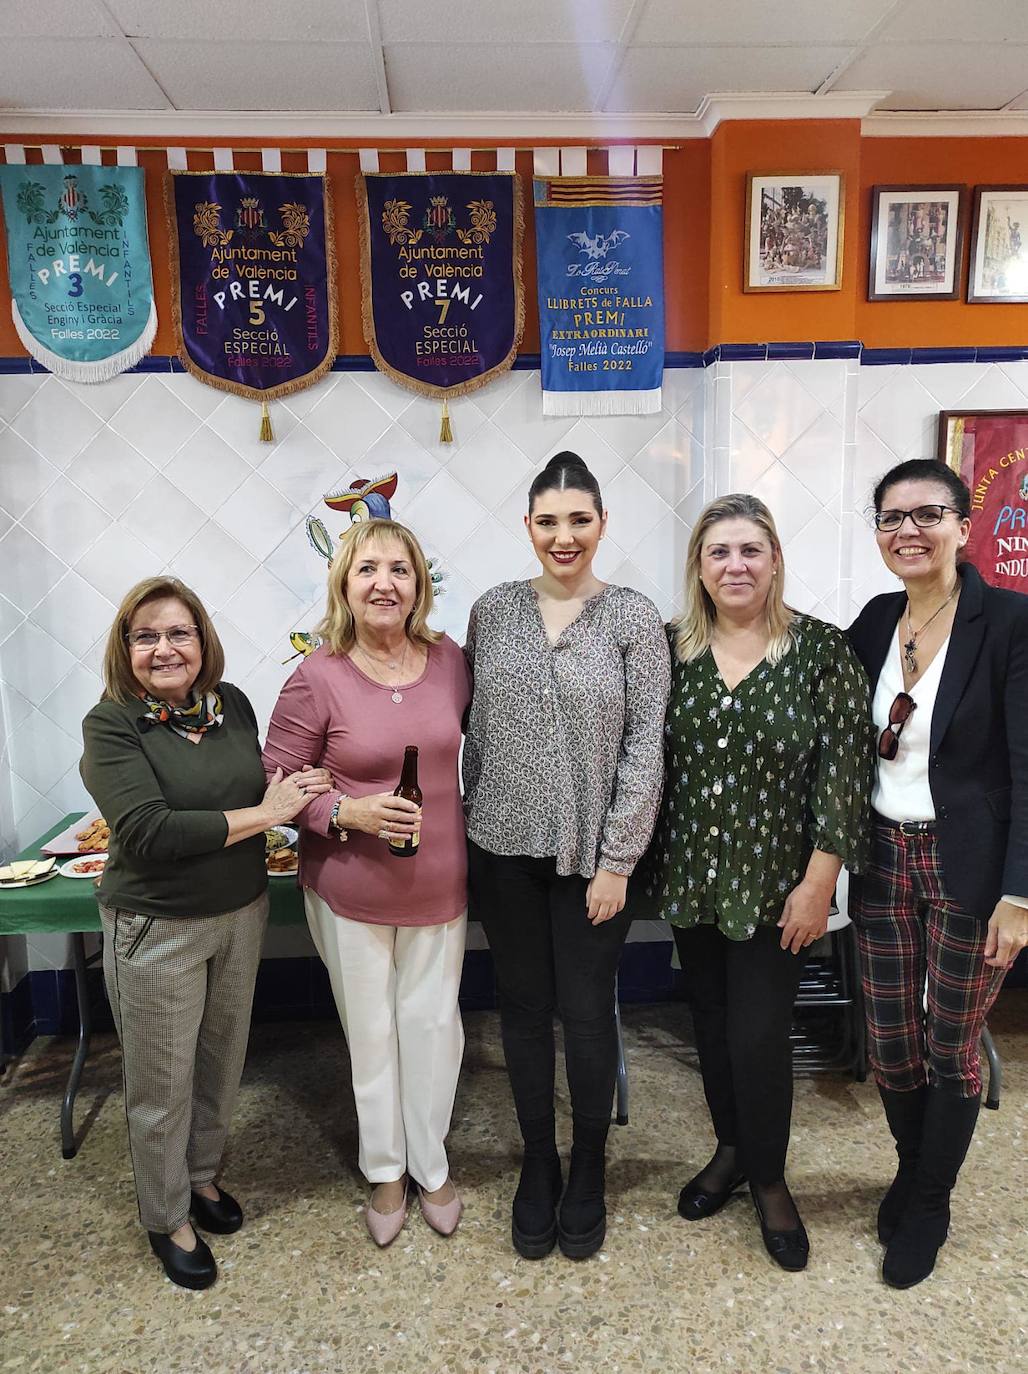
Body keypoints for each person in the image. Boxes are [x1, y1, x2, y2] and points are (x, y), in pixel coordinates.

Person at [643, 494, 871, 1272]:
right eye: (718, 553)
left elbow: (843, 776)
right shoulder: (671, 651)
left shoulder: (820, 652)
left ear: (774, 560)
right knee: (709, 1022)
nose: (734, 566)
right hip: (692, 880)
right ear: (699, 569)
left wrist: (819, 883)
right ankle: (731, 1151)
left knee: (759, 1033)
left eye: (749, 551)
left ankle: (771, 1179)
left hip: (780, 888)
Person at [80, 576, 329, 1290]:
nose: (165, 649)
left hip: (241, 913)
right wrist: (268, 812)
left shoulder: (233, 708)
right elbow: (149, 832)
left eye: (179, 633)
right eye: (146, 636)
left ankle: (202, 1179)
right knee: (161, 1086)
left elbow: (264, 785)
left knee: (221, 1065)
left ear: (202, 642)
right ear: (125, 648)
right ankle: (167, 1217)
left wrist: (301, 789)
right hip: (156, 928)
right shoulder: (113, 725)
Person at [463, 452, 671, 1260]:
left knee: (585, 1012)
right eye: (547, 521)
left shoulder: (631, 619)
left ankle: (589, 1162)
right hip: (503, 849)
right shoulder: (493, 611)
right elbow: (474, 727)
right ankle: (538, 1164)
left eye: (578, 519)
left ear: (601, 525)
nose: (563, 535)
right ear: (527, 528)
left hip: (594, 858)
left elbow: (645, 746)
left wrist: (619, 858)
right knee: (520, 1009)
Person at [263, 518, 472, 1246]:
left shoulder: (452, 662)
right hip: (350, 889)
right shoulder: (316, 676)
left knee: (434, 1029)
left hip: (439, 883)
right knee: (374, 1035)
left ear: (420, 585)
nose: (384, 583)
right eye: (368, 569)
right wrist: (343, 810)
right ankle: (387, 1171)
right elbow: (276, 782)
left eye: (400, 569)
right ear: (344, 585)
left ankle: (433, 1164)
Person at [847, 458, 1028, 1288]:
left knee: (950, 1041)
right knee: (888, 1039)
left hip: (971, 866)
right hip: (883, 854)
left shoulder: (1009, 623)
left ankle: (929, 1202)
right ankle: (911, 1166)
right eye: (890, 519)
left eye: (926, 514)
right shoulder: (876, 619)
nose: (907, 532)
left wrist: (1021, 894)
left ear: (962, 525)